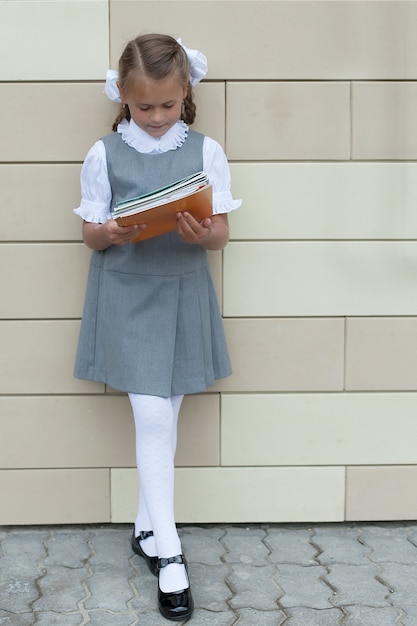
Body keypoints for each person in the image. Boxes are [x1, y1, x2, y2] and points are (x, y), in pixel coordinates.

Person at [73, 33, 241, 621]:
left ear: (184, 94)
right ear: (122, 96)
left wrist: (205, 234)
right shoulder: (103, 153)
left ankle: (145, 530)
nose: (155, 117)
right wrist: (111, 232)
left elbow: (220, 229)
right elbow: (90, 231)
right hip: (127, 291)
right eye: (144, 106)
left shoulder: (205, 151)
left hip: (182, 289)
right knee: (150, 413)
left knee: (166, 413)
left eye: (167, 105)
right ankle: (169, 554)